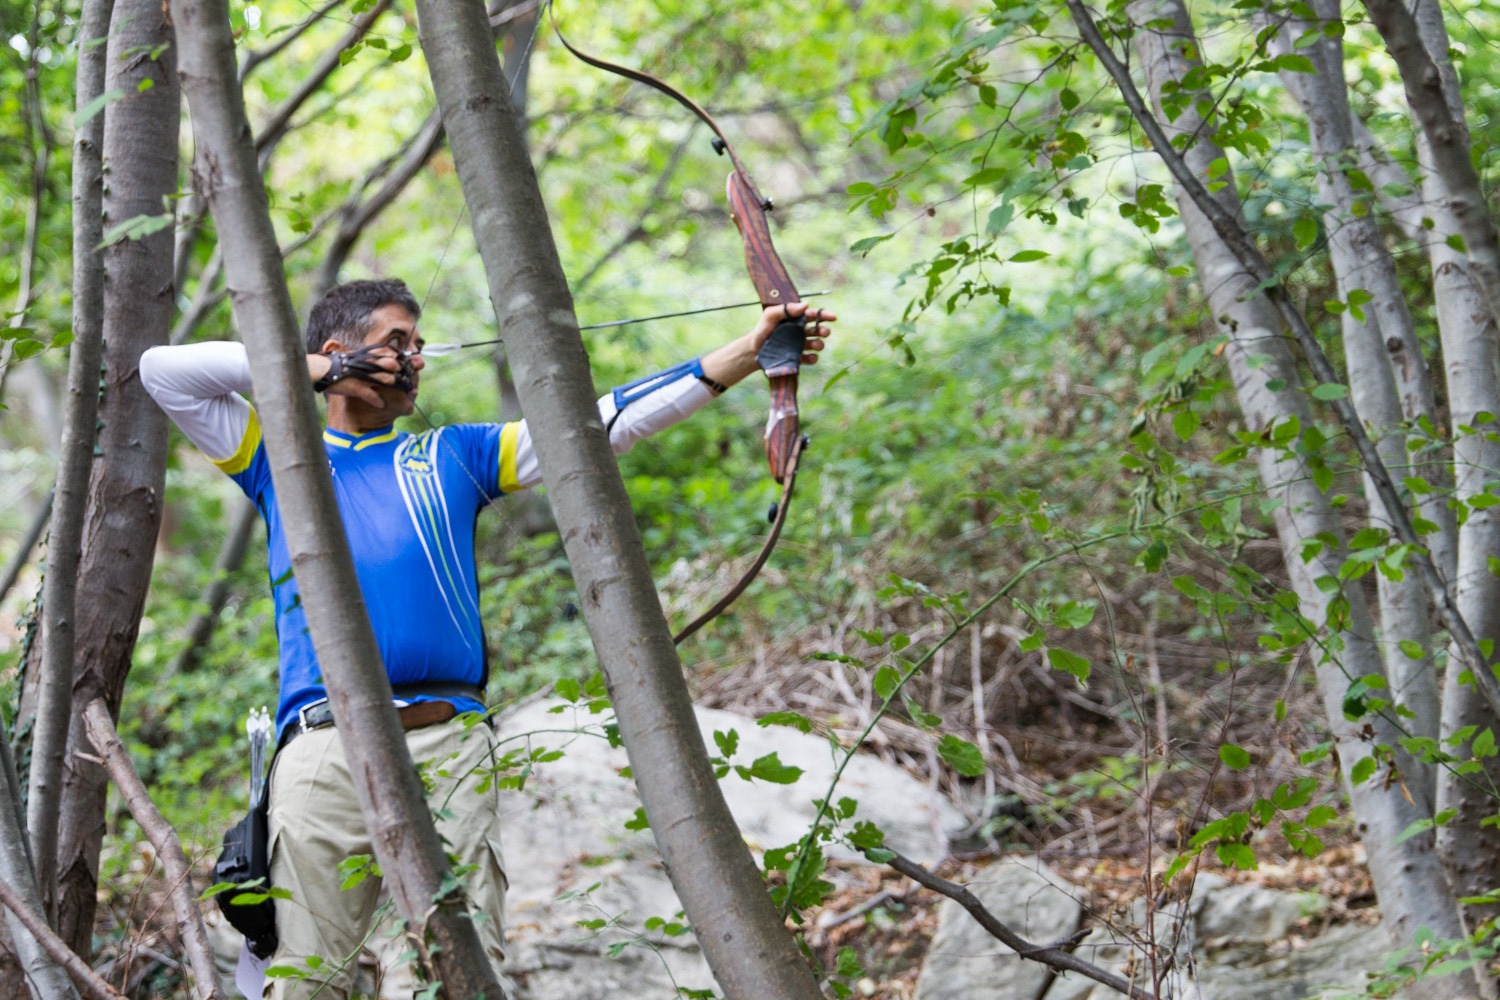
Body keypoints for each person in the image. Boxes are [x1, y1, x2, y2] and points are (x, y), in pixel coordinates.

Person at [139, 278, 832, 998]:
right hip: (322, 749)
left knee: (451, 974)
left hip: (446, 745)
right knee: (307, 979)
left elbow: (599, 425)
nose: (416, 361)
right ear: (338, 353)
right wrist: (313, 370)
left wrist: (749, 354)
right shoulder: (280, 457)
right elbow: (164, 371)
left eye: (418, 345)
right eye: (396, 344)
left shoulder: (452, 456)